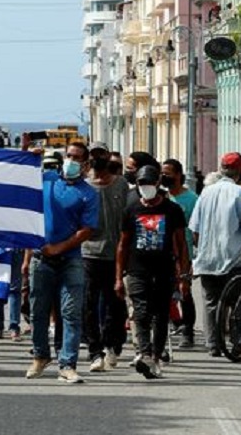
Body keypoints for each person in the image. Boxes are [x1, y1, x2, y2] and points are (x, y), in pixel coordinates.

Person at [24, 138, 99, 384]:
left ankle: (67, 364)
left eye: (77, 157)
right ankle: (40, 356)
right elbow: (18, 180)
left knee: (70, 313)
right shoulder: (46, 180)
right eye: (69, 155)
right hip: (40, 258)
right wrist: (28, 156)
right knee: (38, 311)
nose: (71, 161)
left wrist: (59, 248)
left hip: (70, 260)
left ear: (86, 164)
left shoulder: (88, 194)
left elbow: (87, 230)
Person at [116, 166, 190, 379]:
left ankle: (156, 356)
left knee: (160, 315)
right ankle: (145, 353)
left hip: (164, 270)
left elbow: (181, 244)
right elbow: (123, 245)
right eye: (141, 184)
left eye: (149, 183)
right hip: (137, 270)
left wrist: (183, 275)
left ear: (158, 184)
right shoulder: (130, 210)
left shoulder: (172, 210)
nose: (145, 188)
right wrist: (118, 277)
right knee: (140, 312)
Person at [188, 152, 241, 356]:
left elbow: (195, 228)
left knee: (211, 302)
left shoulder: (206, 192)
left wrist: (201, 250)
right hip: (233, 258)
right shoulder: (239, 193)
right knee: (238, 302)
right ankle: (238, 341)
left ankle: (213, 345)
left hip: (207, 258)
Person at [82, 142, 128, 372]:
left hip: (116, 253)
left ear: (108, 156)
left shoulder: (121, 184)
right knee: (89, 304)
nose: (97, 158)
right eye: (93, 155)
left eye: (101, 154)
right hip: (89, 252)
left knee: (115, 304)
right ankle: (94, 351)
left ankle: (113, 344)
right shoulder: (85, 186)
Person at [161, 159, 198, 348]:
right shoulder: (163, 197)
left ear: (178, 175)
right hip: (165, 252)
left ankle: (188, 331)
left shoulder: (191, 199)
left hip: (185, 252)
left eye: (167, 173)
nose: (164, 176)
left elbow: (197, 228)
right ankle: (172, 324)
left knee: (185, 292)